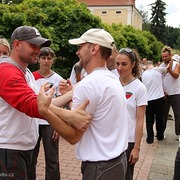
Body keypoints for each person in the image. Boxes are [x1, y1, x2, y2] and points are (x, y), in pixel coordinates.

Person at [0, 25, 91, 180]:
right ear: (16, 44)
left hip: (20, 148)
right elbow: (34, 106)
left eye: (39, 46)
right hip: (9, 150)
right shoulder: (6, 71)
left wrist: (72, 92)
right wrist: (69, 116)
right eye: (32, 45)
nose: (38, 50)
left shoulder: (26, 72)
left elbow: (45, 103)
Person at [37, 28, 129, 180]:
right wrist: (72, 93)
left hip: (99, 167)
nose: (77, 52)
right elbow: (89, 114)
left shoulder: (88, 84)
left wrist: (46, 110)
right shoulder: (111, 78)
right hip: (116, 162)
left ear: (94, 48)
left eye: (80, 47)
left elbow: (73, 136)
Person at [28, 47, 62, 180]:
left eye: (49, 58)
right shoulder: (31, 77)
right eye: (43, 58)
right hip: (34, 122)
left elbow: (63, 103)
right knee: (31, 157)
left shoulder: (58, 79)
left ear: (53, 60)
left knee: (52, 159)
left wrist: (58, 126)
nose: (46, 61)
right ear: (38, 59)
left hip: (50, 122)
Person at [116, 47, 147, 180]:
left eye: (124, 64)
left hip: (128, 141)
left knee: (126, 176)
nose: (120, 68)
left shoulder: (139, 88)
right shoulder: (112, 84)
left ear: (133, 65)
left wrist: (136, 148)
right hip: (112, 140)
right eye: (118, 64)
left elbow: (140, 120)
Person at [141, 60, 166, 144]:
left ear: (146, 66)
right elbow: (166, 69)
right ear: (152, 65)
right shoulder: (158, 72)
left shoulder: (143, 75)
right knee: (159, 118)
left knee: (149, 119)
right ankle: (160, 135)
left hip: (148, 99)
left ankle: (150, 138)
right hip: (159, 97)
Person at [160, 46, 180, 140]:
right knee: (163, 114)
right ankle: (161, 132)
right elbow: (159, 79)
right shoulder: (161, 66)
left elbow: (176, 76)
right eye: (163, 57)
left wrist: (169, 70)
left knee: (178, 113)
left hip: (176, 93)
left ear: (170, 55)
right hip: (165, 94)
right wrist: (162, 91)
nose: (164, 58)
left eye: (166, 56)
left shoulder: (177, 65)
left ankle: (178, 134)